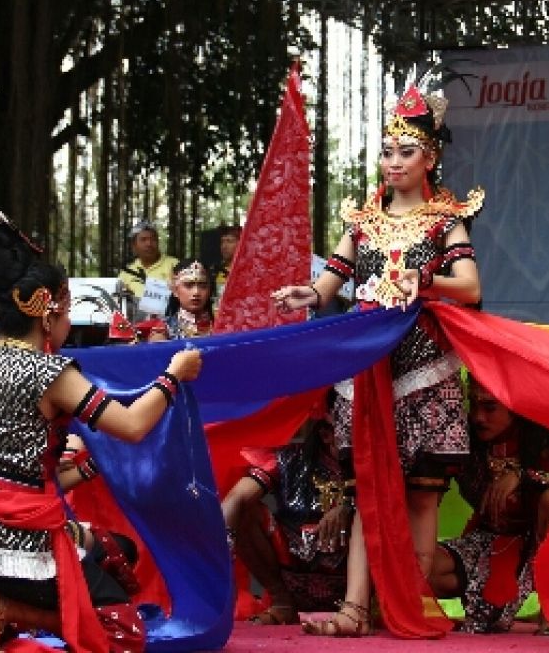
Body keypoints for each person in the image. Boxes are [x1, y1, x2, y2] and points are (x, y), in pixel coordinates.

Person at [0, 204, 202, 652]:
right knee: (121, 632)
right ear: (46, 316)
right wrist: (173, 375)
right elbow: (130, 426)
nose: (69, 324)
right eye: (67, 314)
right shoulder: (50, 373)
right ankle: (5, 608)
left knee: (113, 552)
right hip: (17, 532)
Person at [272, 77, 484, 637]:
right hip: (367, 372)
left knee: (420, 495)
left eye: (405, 151)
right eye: (387, 151)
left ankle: (405, 606)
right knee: (369, 489)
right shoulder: (363, 221)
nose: (393, 162)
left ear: (430, 157)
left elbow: (470, 285)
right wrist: (309, 296)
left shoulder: (445, 219)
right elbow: (333, 279)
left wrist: (427, 278)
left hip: (424, 370)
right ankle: (354, 610)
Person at [431, 379, 549, 633]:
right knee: (421, 567)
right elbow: (427, 495)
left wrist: (526, 477)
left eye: (490, 407)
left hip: (541, 543)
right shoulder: (461, 436)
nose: (478, 417)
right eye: (474, 406)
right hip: (487, 543)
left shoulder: (548, 431)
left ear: (514, 405)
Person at [221, 395, 351, 625]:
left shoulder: (375, 462)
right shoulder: (288, 458)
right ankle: (282, 604)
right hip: (293, 567)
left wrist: (350, 507)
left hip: (356, 581)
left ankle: (372, 607)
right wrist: (221, 560)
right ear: (326, 434)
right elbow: (235, 499)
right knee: (245, 511)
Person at [118, 219, 179, 301]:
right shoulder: (126, 273)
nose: (149, 244)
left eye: (153, 239)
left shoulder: (174, 265)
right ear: (134, 246)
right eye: (143, 240)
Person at [164, 260, 214, 339]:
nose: (196, 292)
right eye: (188, 285)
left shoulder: (224, 326)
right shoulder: (163, 329)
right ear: (175, 290)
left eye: (203, 286)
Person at [213, 225, 241, 310]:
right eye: (222, 242)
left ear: (240, 243)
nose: (224, 246)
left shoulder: (248, 271)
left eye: (229, 241)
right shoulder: (215, 271)